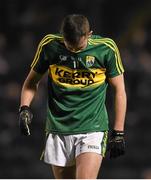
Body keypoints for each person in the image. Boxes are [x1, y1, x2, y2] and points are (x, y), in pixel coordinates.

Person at [19, 14, 127, 179]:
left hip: (93, 127)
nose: (75, 51)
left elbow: (119, 90)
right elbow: (31, 83)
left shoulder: (106, 48)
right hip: (58, 127)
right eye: (70, 46)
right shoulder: (49, 45)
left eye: (79, 47)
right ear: (63, 35)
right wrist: (24, 108)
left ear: (89, 34)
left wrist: (118, 132)